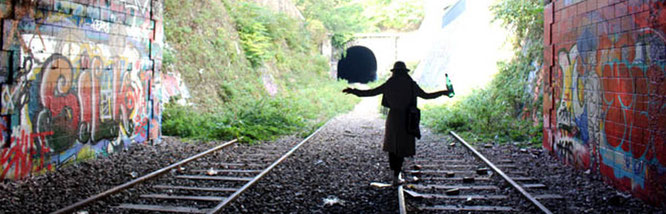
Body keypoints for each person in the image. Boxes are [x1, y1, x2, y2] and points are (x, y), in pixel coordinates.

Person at [342, 61, 451, 185]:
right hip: (407, 118)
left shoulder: (390, 83)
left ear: (394, 72)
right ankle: (396, 174)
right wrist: (443, 92)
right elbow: (426, 96)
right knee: (402, 147)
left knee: (392, 146)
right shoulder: (411, 84)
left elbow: (371, 92)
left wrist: (353, 91)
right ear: (405, 72)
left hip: (393, 118)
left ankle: (395, 174)